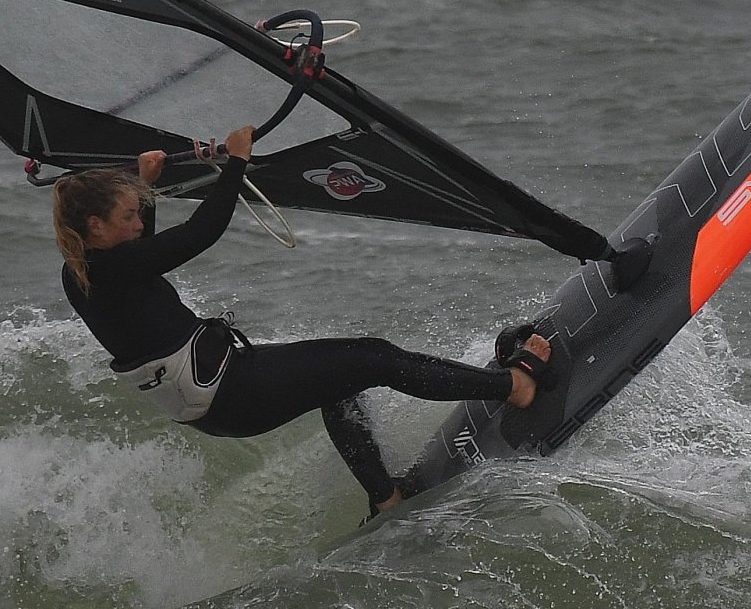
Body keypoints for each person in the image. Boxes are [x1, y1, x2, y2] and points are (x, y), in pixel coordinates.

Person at [52, 125, 553, 514]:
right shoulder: (113, 265)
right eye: (128, 216)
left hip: (213, 400)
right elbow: (199, 233)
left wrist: (143, 186)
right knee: (373, 357)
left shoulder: (82, 271)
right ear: (95, 226)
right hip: (229, 392)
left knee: (338, 379)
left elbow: (145, 256)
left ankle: (385, 497)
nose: (139, 221)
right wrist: (236, 162)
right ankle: (512, 386)